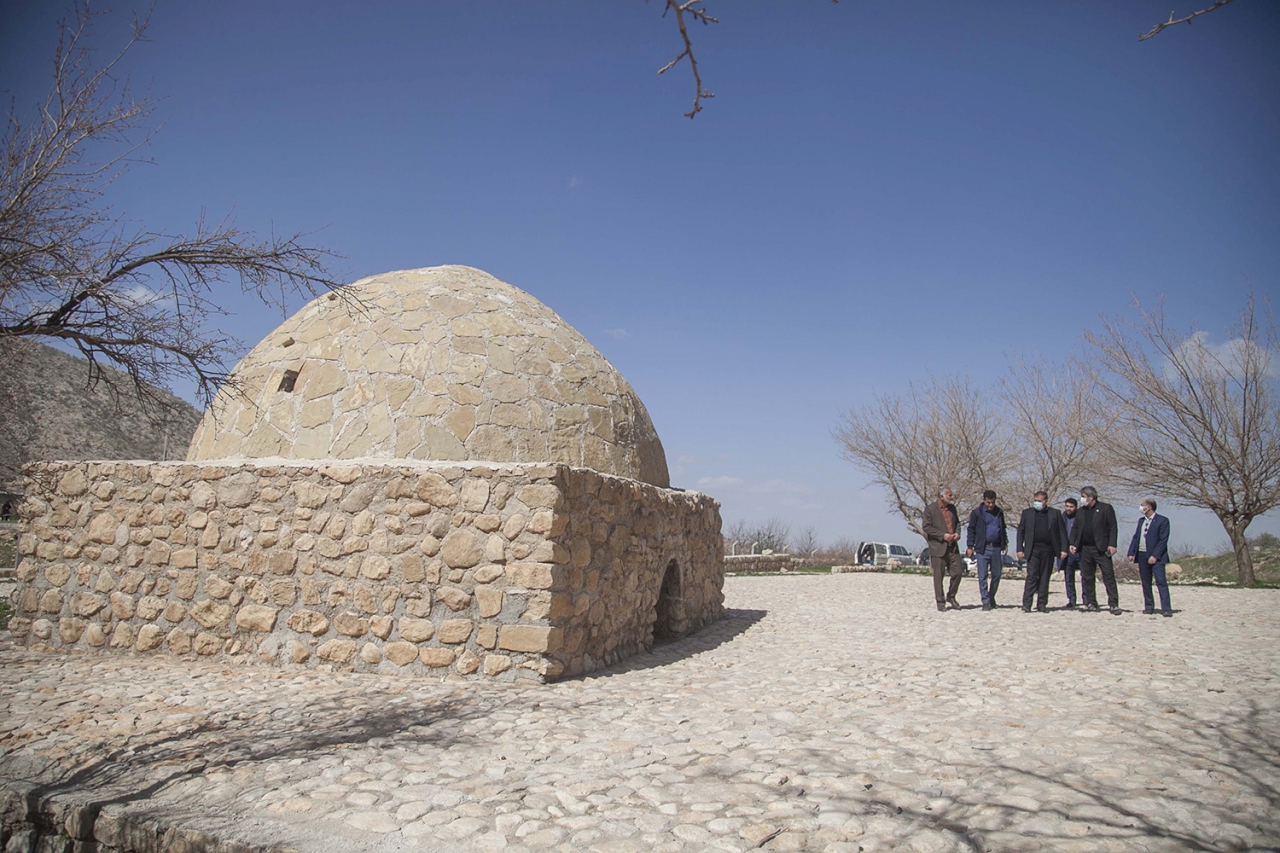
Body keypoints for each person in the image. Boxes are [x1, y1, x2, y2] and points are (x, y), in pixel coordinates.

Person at [1068, 485, 1121, 614]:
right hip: (1085, 548)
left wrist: (1112, 544)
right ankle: (1091, 602)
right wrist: (1072, 543)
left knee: (1108, 575)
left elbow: (1113, 527)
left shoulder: (1105, 508)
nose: (1082, 499)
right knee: (1087, 576)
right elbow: (1075, 528)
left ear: (1091, 498)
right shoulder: (1081, 511)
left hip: (1101, 548)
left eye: (1084, 497)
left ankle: (1113, 603)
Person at [1016, 491, 1065, 612]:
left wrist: (1063, 549)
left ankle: (1042, 604)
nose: (1037, 503)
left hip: (1048, 549)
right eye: (1035, 501)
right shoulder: (1027, 513)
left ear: (1046, 501)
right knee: (1031, 576)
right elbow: (1020, 532)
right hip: (1033, 550)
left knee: (1044, 577)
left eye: (1040, 501)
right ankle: (1027, 604)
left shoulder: (1055, 513)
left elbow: (1062, 533)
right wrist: (1019, 549)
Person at [1128, 498, 1172, 617]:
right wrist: (1131, 552)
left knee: (1161, 582)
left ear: (1149, 507)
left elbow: (1163, 540)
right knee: (1146, 582)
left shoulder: (1162, 521)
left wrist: (1155, 555)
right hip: (1142, 554)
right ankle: (1149, 606)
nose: (1141, 508)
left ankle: (1166, 608)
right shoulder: (1141, 521)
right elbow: (1136, 537)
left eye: (1143, 505)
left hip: (1156, 557)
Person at [923, 487, 964, 611]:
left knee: (958, 572)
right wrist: (943, 536)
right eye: (949, 495)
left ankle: (951, 596)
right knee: (938, 576)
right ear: (942, 496)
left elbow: (957, 523)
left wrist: (957, 533)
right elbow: (926, 527)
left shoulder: (952, 509)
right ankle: (940, 602)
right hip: (938, 547)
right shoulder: (930, 509)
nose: (952, 497)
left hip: (952, 547)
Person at [966, 490, 1008, 611]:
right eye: (988, 502)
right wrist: (970, 546)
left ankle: (991, 596)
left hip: (996, 548)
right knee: (982, 575)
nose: (990, 505)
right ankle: (985, 601)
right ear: (984, 500)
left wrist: (1005, 543)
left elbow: (1003, 528)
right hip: (982, 548)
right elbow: (971, 530)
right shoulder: (976, 513)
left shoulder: (999, 512)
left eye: (993, 502)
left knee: (997, 575)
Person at [1058, 498, 1081, 607]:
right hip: (1067, 551)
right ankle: (1072, 599)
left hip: (1080, 550)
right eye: (1067, 506)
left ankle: (1087, 599)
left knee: (1085, 576)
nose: (1068, 509)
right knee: (1068, 576)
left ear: (1075, 507)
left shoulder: (1081, 517)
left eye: (1071, 507)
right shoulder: (1062, 518)